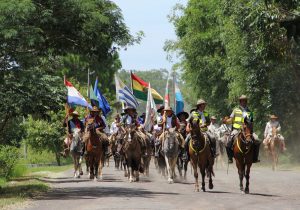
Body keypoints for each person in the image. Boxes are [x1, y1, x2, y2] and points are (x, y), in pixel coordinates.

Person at [224, 95, 261, 163]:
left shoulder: (249, 111)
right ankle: (230, 157)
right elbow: (231, 119)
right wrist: (226, 121)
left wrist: (251, 130)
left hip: (247, 130)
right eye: (242, 101)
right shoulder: (236, 110)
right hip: (236, 129)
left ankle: (255, 157)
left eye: (245, 101)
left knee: (257, 140)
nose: (244, 102)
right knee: (228, 141)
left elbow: (251, 123)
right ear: (240, 102)